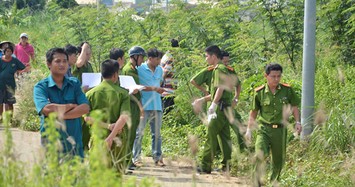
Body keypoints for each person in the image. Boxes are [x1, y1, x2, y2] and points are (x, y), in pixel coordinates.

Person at [245, 63, 302, 185]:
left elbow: (294, 107)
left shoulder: (287, 90)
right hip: (264, 129)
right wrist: (249, 129)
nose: (276, 79)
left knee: (278, 161)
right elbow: (254, 112)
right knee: (259, 155)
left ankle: (274, 183)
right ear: (266, 76)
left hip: (280, 131)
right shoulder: (259, 92)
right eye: (273, 76)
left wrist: (298, 122)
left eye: (278, 76)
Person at [33, 48, 90, 159]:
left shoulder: (74, 84)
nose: (62, 64)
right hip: (52, 143)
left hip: (74, 143)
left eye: (65, 61)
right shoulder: (41, 87)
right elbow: (47, 109)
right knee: (52, 175)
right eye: (58, 61)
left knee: (77, 175)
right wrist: (71, 106)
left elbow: (85, 108)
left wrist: (60, 115)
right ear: (49, 64)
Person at [195, 45, 238, 174]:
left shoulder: (219, 69)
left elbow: (220, 87)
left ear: (214, 56)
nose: (206, 59)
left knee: (211, 136)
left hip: (219, 108)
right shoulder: (224, 68)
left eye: (207, 56)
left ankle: (205, 165)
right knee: (225, 137)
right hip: (226, 107)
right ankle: (227, 166)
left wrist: (213, 104)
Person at [85, 59, 130, 173]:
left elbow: (87, 118)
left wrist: (107, 126)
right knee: (115, 174)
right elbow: (124, 117)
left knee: (96, 174)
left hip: (98, 138)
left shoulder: (90, 94)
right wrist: (111, 137)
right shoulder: (123, 93)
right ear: (115, 75)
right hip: (117, 139)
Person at [132, 48, 165, 167]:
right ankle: (136, 157)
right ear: (150, 58)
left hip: (157, 105)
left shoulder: (160, 70)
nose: (159, 61)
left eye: (160, 59)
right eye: (157, 59)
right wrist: (154, 89)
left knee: (157, 133)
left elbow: (160, 84)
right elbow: (136, 86)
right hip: (144, 105)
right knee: (139, 133)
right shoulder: (139, 69)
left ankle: (157, 157)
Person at [121, 46, 146, 170]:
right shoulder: (128, 70)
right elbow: (128, 90)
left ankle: (128, 160)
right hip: (131, 104)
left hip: (134, 105)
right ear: (134, 57)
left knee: (132, 134)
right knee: (129, 134)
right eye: (141, 57)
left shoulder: (134, 69)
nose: (142, 60)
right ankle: (125, 161)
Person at [0, 46, 25, 119]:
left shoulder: (14, 60)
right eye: (7, 51)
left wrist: (19, 72)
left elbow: (23, 67)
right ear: (4, 52)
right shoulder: (0, 60)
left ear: (12, 52)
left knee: (10, 102)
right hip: (1, 84)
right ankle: (1, 118)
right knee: (0, 102)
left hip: (10, 84)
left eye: (10, 51)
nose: (8, 53)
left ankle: (10, 119)